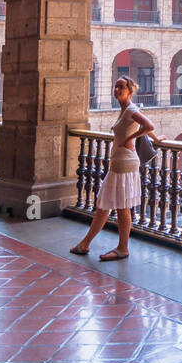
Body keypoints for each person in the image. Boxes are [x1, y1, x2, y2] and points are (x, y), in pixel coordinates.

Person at [71, 75, 162, 261]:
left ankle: (112, 247)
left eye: (121, 87)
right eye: (115, 86)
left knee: (114, 205)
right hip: (120, 162)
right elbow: (144, 125)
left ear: (130, 90)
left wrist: (130, 139)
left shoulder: (130, 109)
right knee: (112, 205)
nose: (117, 90)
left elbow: (147, 124)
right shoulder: (125, 110)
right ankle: (94, 245)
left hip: (125, 163)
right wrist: (156, 138)